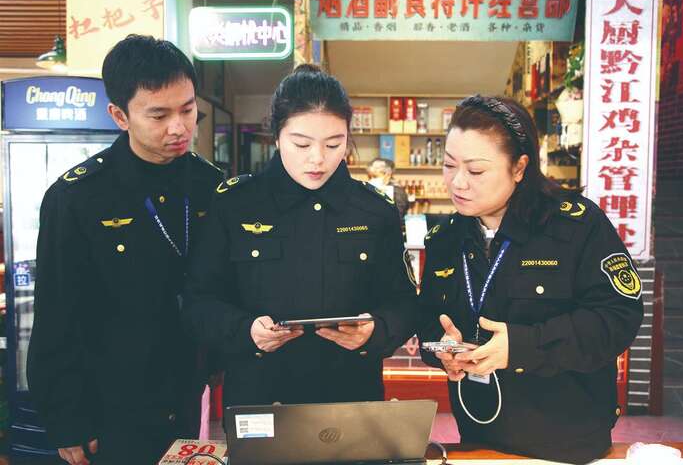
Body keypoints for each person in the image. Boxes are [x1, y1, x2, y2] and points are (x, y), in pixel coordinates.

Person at [27, 35, 223, 465]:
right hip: (110, 407)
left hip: (188, 392)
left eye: (188, 109)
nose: (179, 127)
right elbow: (55, 316)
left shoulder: (212, 187)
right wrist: (67, 419)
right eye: (159, 115)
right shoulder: (77, 197)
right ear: (120, 115)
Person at [417, 95, 643, 464]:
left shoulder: (577, 225)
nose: (457, 182)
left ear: (519, 167)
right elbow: (427, 319)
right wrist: (442, 351)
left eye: (476, 171)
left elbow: (617, 317)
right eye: (448, 165)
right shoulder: (445, 239)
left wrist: (523, 346)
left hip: (566, 444)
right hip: (479, 437)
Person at [183, 64, 416, 407]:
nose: (317, 159)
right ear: (277, 136)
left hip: (350, 397)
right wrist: (245, 330)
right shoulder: (235, 204)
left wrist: (376, 330)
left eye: (334, 144)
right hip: (260, 395)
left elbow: (405, 303)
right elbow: (198, 300)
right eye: (301, 144)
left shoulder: (373, 210)